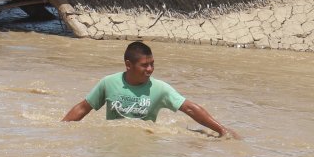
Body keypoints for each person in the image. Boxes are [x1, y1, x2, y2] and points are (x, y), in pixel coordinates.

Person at [63, 41, 238, 138]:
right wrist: (60, 130)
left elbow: (190, 108)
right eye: (144, 65)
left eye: (152, 64)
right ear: (128, 65)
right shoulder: (109, 83)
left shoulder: (160, 88)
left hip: (145, 143)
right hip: (113, 142)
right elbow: (82, 108)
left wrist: (221, 130)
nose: (150, 69)